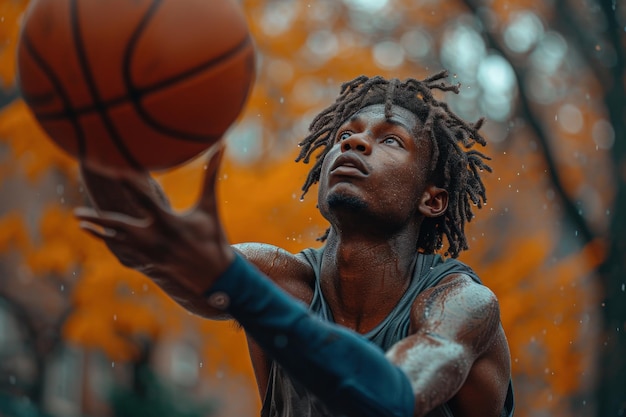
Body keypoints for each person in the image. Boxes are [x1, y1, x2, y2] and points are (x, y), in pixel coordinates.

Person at [74, 71, 515, 417]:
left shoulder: (462, 306)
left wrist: (243, 292)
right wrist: (93, 124)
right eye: (345, 135)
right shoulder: (281, 278)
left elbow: (391, 397)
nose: (355, 142)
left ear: (432, 199)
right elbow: (153, 242)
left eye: (391, 140)